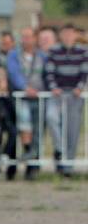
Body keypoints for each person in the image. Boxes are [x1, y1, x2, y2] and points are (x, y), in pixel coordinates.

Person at [44, 23, 87, 176]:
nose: (68, 36)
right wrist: (54, 87)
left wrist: (80, 87)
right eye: (65, 33)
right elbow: (49, 72)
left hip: (75, 95)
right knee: (51, 117)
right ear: (61, 35)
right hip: (57, 94)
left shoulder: (83, 51)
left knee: (72, 130)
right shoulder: (54, 51)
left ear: (75, 35)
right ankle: (59, 149)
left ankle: (68, 166)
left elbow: (84, 72)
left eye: (71, 33)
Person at [6, 26, 45, 179]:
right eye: (23, 36)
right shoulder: (13, 55)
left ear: (35, 38)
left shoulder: (42, 56)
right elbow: (14, 73)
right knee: (25, 127)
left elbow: (47, 73)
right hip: (22, 97)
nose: (26, 40)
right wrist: (25, 87)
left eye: (29, 36)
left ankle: (33, 163)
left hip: (40, 97)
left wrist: (41, 89)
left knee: (38, 131)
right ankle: (29, 161)